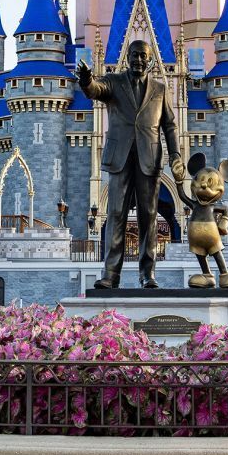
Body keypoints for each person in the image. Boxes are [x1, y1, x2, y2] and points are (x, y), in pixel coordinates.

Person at [75, 40, 187, 288]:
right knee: (116, 214)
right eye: (134, 55)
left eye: (143, 56)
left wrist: (176, 154)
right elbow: (95, 90)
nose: (138, 60)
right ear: (127, 57)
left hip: (150, 159)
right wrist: (85, 79)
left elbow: (169, 124)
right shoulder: (114, 82)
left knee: (149, 216)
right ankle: (110, 275)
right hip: (120, 158)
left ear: (150, 61)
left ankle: (148, 274)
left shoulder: (160, 89)